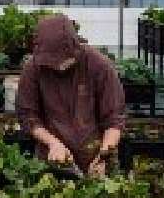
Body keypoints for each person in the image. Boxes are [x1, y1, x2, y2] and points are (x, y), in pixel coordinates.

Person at [15, 14, 126, 177]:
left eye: (62, 61)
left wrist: (103, 156)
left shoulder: (99, 65)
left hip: (95, 159)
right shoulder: (33, 68)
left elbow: (114, 119)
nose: (58, 67)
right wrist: (53, 143)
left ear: (74, 47)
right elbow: (27, 115)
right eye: (51, 63)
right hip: (50, 161)